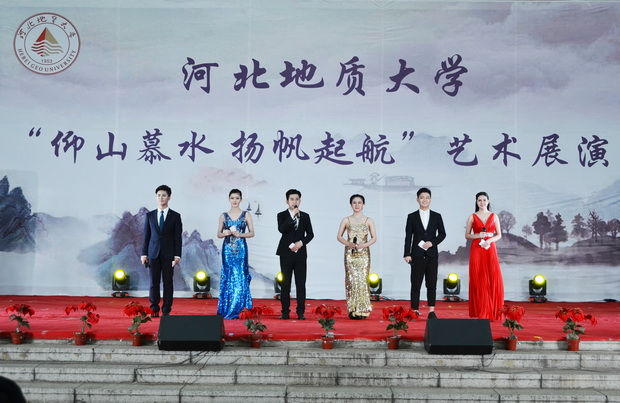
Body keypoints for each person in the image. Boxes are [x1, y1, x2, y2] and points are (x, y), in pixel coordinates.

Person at [403, 187, 446, 319]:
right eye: (422, 197)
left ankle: (431, 311)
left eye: (427, 197)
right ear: (417, 199)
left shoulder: (437, 216)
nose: (424, 200)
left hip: (432, 255)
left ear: (430, 200)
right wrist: (407, 254)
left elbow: (442, 234)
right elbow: (408, 237)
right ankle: (414, 310)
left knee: (431, 284)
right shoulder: (411, 216)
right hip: (416, 255)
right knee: (415, 284)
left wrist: (432, 243)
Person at [141, 185, 183, 317]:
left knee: (168, 283)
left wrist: (177, 255)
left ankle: (166, 309)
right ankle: (154, 308)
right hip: (153, 253)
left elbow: (178, 237)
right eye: (159, 195)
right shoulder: (150, 215)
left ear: (169, 197)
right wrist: (144, 254)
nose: (161, 198)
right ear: (156, 197)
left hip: (169, 254)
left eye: (164, 195)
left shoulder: (175, 216)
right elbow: (146, 236)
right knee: (153, 283)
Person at [465, 191, 504, 321]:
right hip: (477, 248)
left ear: (488, 201)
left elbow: (499, 235)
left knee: (492, 275)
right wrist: (478, 235)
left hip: (490, 248)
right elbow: (467, 235)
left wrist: (490, 240)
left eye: (484, 200)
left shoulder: (494, 216)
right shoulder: (472, 217)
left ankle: (493, 310)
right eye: (479, 200)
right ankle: (481, 309)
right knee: (478, 277)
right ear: (476, 202)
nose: (482, 203)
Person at [276, 189, 314, 320]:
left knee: (301, 283)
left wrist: (301, 243)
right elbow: (282, 229)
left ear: (300, 201)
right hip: (285, 253)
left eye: (297, 199)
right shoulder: (282, 215)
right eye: (292, 199)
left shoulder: (305, 216)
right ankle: (285, 311)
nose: (294, 201)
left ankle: (300, 312)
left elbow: (310, 234)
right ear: (287, 201)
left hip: (300, 254)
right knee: (285, 283)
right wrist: (292, 216)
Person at [337, 194, 376, 319]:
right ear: (351, 205)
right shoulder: (346, 220)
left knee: (363, 279)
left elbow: (374, 238)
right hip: (350, 254)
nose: (357, 205)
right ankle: (353, 309)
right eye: (354, 202)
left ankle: (363, 309)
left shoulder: (368, 220)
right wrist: (348, 244)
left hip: (364, 254)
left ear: (363, 204)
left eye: (359, 202)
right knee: (352, 280)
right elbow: (339, 236)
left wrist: (364, 245)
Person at [216, 189, 254, 319]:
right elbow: (218, 234)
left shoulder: (246, 215)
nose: (234, 200)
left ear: (241, 200)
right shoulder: (223, 216)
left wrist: (240, 234)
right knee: (228, 276)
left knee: (241, 276)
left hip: (241, 249)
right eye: (232, 198)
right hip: (227, 250)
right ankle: (227, 307)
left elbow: (252, 233)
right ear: (229, 199)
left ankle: (240, 308)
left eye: (237, 198)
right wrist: (225, 233)